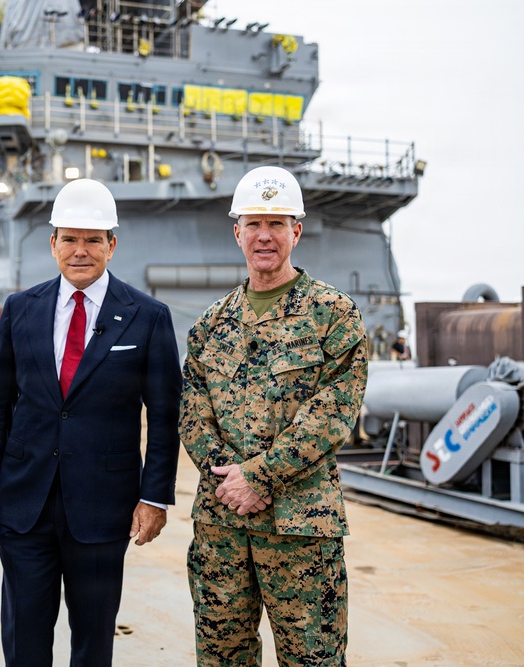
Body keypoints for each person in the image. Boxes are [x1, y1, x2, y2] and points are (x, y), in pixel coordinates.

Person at [0, 178, 182, 666]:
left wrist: (154, 497)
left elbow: (165, 413)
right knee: (24, 635)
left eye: (93, 239)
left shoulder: (148, 317)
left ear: (112, 245)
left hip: (102, 509)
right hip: (25, 504)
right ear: (53, 244)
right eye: (69, 238)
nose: (80, 250)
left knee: (93, 639)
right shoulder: (19, 310)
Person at [179, 166, 368, 666]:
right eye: (254, 224)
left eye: (278, 224)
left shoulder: (333, 312)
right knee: (222, 658)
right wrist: (230, 479)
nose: (265, 235)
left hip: (301, 529)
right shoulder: (210, 325)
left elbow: (335, 410)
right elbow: (193, 414)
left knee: (313, 660)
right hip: (222, 528)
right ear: (237, 231)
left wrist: (260, 476)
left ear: (296, 232)